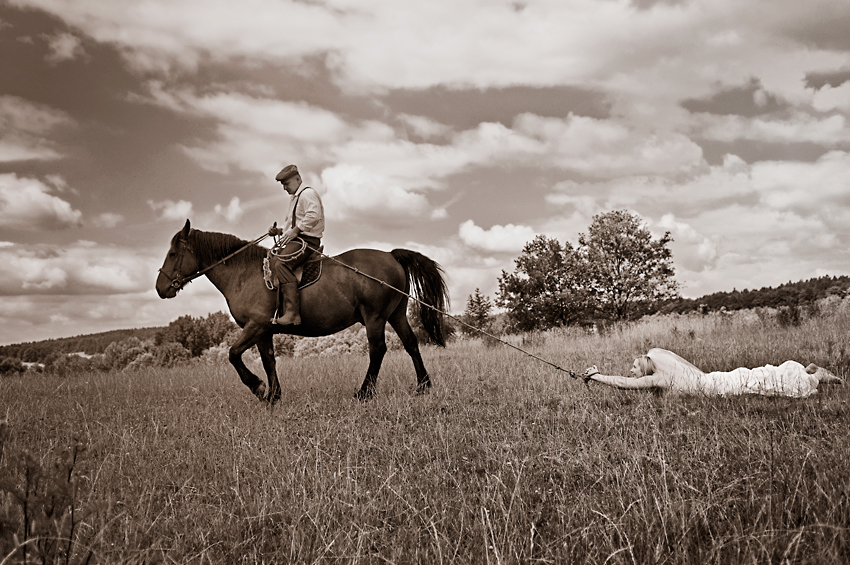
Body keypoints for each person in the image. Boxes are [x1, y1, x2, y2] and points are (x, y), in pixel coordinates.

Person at [581, 348, 843, 398]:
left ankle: (813, 375)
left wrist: (597, 376)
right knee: (761, 377)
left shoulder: (658, 379)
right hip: (716, 379)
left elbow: (623, 383)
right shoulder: (664, 375)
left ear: (647, 368)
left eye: (635, 366)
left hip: (720, 387)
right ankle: (806, 372)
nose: (631, 370)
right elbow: (626, 379)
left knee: (767, 384)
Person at [267, 164, 325, 325]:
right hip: (299, 238)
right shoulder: (296, 198)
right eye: (283, 185)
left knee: (281, 264)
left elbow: (314, 216)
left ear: (298, 179)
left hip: (307, 241)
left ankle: (292, 313)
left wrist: (295, 230)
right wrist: (279, 231)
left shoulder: (307, 194)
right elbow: (294, 224)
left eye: (287, 184)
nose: (284, 188)